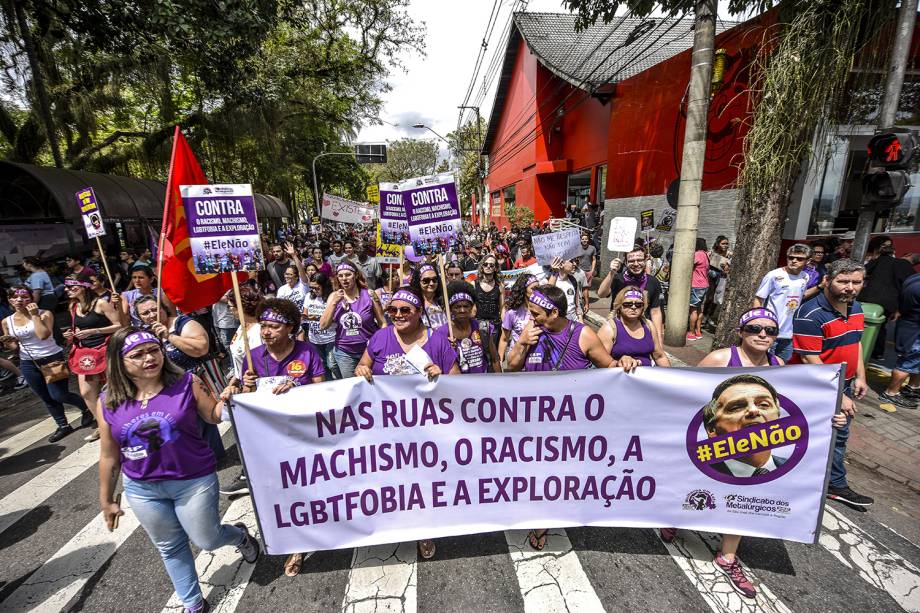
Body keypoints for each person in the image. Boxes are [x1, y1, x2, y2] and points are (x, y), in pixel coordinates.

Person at [98, 328, 261, 613]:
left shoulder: (187, 382)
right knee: (170, 547)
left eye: (154, 350)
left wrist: (234, 396)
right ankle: (193, 603)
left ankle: (239, 536)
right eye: (137, 355)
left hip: (193, 481)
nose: (149, 358)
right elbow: (109, 454)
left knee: (207, 540)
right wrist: (107, 500)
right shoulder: (108, 400)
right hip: (142, 489)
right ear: (119, 361)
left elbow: (213, 414)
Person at [659, 308, 786, 598]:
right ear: (741, 332)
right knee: (695, 486)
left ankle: (728, 557)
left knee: (744, 497)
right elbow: (690, 392)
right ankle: (674, 519)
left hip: (754, 449)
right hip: (713, 442)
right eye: (755, 329)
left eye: (770, 330)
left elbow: (796, 404)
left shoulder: (779, 364)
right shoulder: (720, 359)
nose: (763, 335)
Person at [506, 284, 613, 551]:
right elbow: (511, 366)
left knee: (558, 474)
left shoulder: (584, 335)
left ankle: (550, 516)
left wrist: (624, 363)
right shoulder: (531, 332)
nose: (532, 318)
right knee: (534, 472)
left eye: (537, 313)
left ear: (554, 313)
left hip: (569, 424)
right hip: (532, 421)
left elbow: (608, 367)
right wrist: (521, 343)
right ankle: (536, 515)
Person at [355, 286, 459, 561]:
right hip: (386, 428)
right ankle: (399, 521)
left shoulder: (437, 341)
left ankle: (425, 530)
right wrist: (362, 369)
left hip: (427, 430)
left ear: (419, 313)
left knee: (423, 482)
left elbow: (458, 383)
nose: (397, 315)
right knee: (395, 480)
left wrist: (443, 375)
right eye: (392, 310)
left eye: (405, 310)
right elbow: (362, 365)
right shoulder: (380, 336)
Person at [238, 298, 325, 576]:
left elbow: (322, 391)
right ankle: (297, 546)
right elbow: (243, 402)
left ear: (290, 328)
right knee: (285, 493)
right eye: (263, 326)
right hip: (267, 441)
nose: (266, 332)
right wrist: (245, 388)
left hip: (304, 435)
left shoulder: (307, 352)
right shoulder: (252, 357)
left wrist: (296, 388)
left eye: (274, 327)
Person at [791, 258, 873, 508]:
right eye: (843, 281)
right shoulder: (810, 314)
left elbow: (855, 343)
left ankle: (822, 480)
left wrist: (861, 376)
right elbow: (809, 359)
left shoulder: (856, 308)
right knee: (828, 436)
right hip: (817, 385)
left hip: (843, 383)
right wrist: (840, 394)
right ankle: (834, 484)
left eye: (856, 282)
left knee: (835, 435)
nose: (850, 287)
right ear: (827, 281)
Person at [3, 285, 94, 442]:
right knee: (45, 397)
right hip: (28, 362)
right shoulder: (7, 321)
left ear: (31, 299)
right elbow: (13, 347)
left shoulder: (44, 314)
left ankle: (86, 409)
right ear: (9, 300)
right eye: (15, 297)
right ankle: (63, 425)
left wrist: (34, 315)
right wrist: (9, 342)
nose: (19, 300)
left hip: (51, 358)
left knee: (59, 394)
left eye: (24, 297)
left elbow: (43, 335)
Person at [63, 274, 121, 442]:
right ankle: (102, 426)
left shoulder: (101, 303)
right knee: (87, 392)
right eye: (66, 287)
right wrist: (70, 334)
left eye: (71, 286)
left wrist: (94, 331)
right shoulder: (73, 306)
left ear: (84, 286)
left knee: (113, 390)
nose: (67, 290)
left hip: (106, 351)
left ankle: (119, 423)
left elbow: (119, 325)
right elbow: (78, 327)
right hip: (85, 354)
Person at [319, 261, 386, 379]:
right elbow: (323, 325)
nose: (344, 279)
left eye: (348, 274)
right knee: (353, 387)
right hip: (345, 352)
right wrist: (334, 302)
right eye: (340, 276)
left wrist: (383, 343)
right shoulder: (333, 296)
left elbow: (382, 322)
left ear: (355, 275)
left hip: (369, 351)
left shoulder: (370, 295)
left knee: (372, 384)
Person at [857, 236, 914, 361]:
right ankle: (877, 352)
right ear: (894, 253)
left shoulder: (877, 261)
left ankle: (867, 349)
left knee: (866, 323)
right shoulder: (902, 264)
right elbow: (908, 284)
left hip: (868, 298)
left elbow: (863, 272)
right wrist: (899, 308)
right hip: (889, 301)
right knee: (880, 326)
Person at [753, 243, 811, 361]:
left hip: (790, 333)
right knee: (765, 364)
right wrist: (759, 324)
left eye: (799, 259)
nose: (794, 261)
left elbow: (801, 296)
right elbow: (759, 299)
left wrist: (820, 287)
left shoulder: (805, 277)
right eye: (791, 257)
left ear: (808, 261)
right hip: (771, 331)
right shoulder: (774, 275)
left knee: (782, 365)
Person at [597, 246, 664, 342]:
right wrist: (612, 272)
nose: (636, 264)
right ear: (625, 262)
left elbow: (656, 312)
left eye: (639, 260)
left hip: (642, 330)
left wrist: (658, 339)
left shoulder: (653, 282)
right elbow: (601, 294)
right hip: (618, 329)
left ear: (645, 260)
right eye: (631, 261)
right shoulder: (617, 279)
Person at [597, 288, 670, 371]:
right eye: (627, 304)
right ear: (619, 306)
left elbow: (659, 356)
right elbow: (600, 362)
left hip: (646, 379)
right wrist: (618, 363)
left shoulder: (648, 325)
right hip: (620, 379)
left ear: (643, 307)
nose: (633, 307)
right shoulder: (609, 328)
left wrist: (671, 377)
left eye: (638, 304)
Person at [437, 281, 501, 373]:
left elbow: (495, 359)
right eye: (457, 307)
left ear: (471, 307)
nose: (462, 310)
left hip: (484, 383)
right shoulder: (442, 333)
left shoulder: (482, 328)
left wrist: (500, 382)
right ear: (450, 309)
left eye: (466, 306)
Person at [879, 271, 920, 408]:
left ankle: (912, 388)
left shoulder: (914, 278)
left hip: (909, 326)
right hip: (914, 330)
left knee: (914, 361)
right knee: (907, 363)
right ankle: (891, 393)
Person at [303, 272, 339, 379]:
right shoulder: (309, 296)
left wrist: (318, 318)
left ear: (324, 285)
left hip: (330, 338)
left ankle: (340, 381)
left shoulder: (332, 297)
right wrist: (304, 316)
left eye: (317, 288)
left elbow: (336, 319)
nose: (313, 290)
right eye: (311, 288)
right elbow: (306, 312)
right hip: (314, 338)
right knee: (322, 365)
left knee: (332, 364)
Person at [499, 274, 540, 360]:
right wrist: (500, 363)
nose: (537, 292)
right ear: (524, 290)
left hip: (537, 357)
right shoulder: (512, 313)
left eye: (538, 288)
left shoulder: (542, 311)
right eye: (533, 289)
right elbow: (504, 339)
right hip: (517, 357)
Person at [472, 255, 504, 346]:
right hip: (478, 324)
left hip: (494, 325)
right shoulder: (474, 284)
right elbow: (472, 308)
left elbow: (502, 307)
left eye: (491, 265)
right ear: (482, 267)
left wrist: (504, 325)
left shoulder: (500, 286)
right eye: (486, 264)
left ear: (495, 268)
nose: (488, 267)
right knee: (480, 352)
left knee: (494, 354)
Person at [545, 256, 586, 322]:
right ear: (561, 264)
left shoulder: (573, 280)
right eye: (571, 261)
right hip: (558, 323)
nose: (574, 264)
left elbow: (577, 303)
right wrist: (554, 272)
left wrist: (580, 320)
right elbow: (546, 297)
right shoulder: (550, 279)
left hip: (573, 321)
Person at [410, 263, 449, 330]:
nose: (431, 283)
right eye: (426, 281)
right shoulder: (413, 303)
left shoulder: (445, 300)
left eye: (434, 280)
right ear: (418, 282)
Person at [211, 292, 239, 356]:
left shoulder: (227, 284)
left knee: (231, 347)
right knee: (226, 346)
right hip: (217, 321)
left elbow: (227, 299)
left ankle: (235, 364)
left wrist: (211, 295)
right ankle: (233, 363)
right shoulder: (213, 287)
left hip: (228, 322)